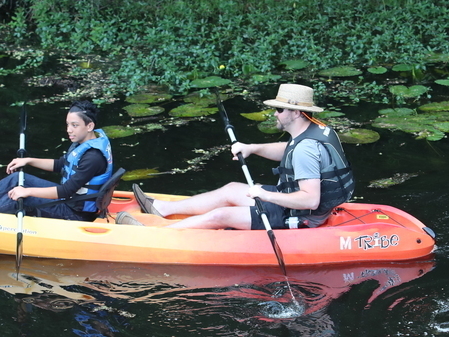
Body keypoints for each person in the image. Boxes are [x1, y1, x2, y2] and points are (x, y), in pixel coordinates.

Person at [126, 84, 354, 230]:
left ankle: (155, 234)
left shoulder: (306, 149)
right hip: (295, 203)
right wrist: (252, 147)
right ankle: (163, 209)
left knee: (221, 215)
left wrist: (265, 195)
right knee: (232, 189)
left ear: (296, 112)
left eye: (280, 109)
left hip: (302, 215)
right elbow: (288, 151)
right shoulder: (314, 130)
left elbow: (310, 200)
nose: (275, 113)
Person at [0, 100, 113, 221]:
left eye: (74, 125)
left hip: (74, 212)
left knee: (20, 199)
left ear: (90, 126)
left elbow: (66, 190)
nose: (69, 130)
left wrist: (27, 191)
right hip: (68, 200)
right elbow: (61, 164)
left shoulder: (93, 157)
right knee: (17, 177)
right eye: (68, 124)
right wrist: (28, 160)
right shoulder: (84, 141)